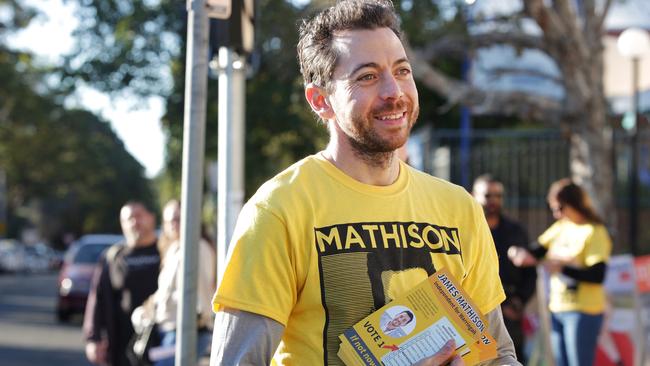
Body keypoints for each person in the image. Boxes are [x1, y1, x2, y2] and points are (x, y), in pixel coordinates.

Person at [210, 1, 519, 365]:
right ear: (321, 100)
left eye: (402, 71)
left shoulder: (458, 207)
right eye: (367, 76)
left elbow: (498, 354)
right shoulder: (278, 209)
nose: (394, 91)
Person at [508, 178, 612, 366]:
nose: (556, 214)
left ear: (575, 203)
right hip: (558, 308)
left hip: (584, 310)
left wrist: (562, 268)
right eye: (553, 209)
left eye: (560, 208)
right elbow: (537, 250)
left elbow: (598, 276)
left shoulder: (595, 231)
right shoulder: (561, 227)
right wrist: (519, 252)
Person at [131, 199, 216, 366]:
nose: (173, 224)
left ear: (191, 218)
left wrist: (200, 320)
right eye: (169, 220)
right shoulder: (173, 247)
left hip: (187, 331)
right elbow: (166, 292)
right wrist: (147, 309)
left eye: (178, 218)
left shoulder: (198, 247)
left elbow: (204, 293)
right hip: (168, 329)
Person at [84, 201, 161, 366]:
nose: (135, 222)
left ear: (152, 218)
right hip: (122, 344)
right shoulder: (113, 257)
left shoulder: (166, 251)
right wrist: (93, 338)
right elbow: (97, 299)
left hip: (161, 341)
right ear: (122, 224)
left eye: (139, 216)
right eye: (129, 218)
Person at [472, 174, 537, 362]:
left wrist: (520, 301)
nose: (493, 200)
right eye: (488, 195)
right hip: (477, 308)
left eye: (498, 196)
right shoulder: (467, 227)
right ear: (474, 195)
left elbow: (529, 271)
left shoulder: (515, 230)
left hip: (510, 308)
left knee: (512, 357)